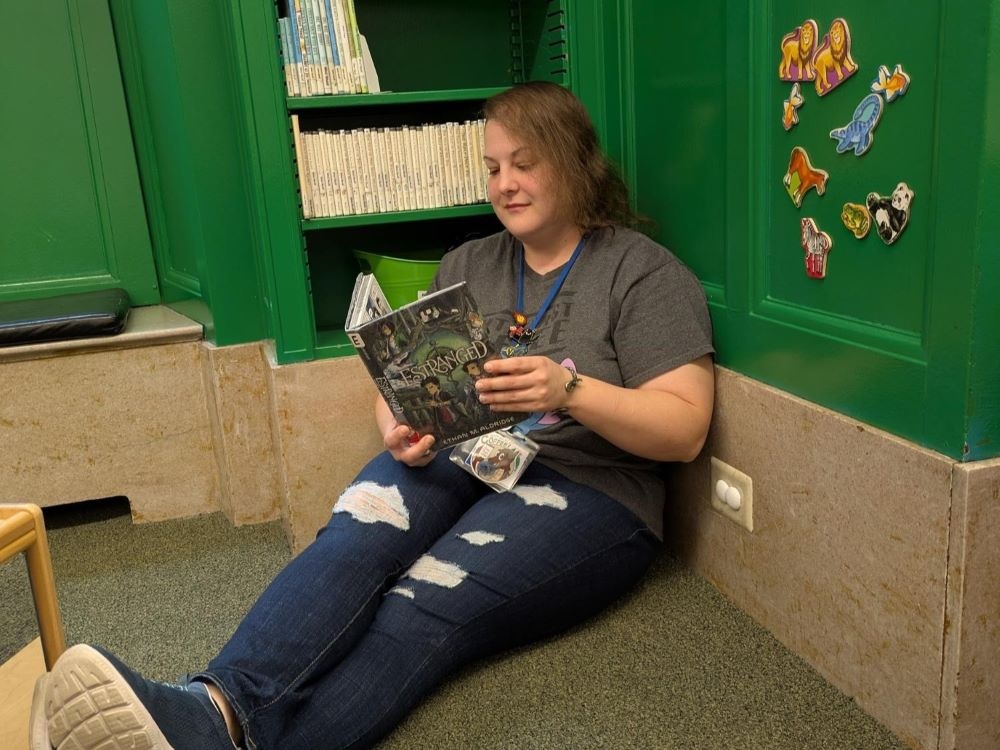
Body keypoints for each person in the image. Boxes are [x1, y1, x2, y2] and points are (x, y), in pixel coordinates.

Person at [32, 81, 715, 750]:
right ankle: (212, 706)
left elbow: (683, 431)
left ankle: (220, 737)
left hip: (590, 488)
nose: (505, 184)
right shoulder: (470, 261)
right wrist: (395, 424)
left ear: (574, 161)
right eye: (493, 168)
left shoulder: (642, 274)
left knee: (422, 600)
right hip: (463, 452)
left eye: (524, 164)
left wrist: (569, 393)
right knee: (356, 533)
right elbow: (402, 378)